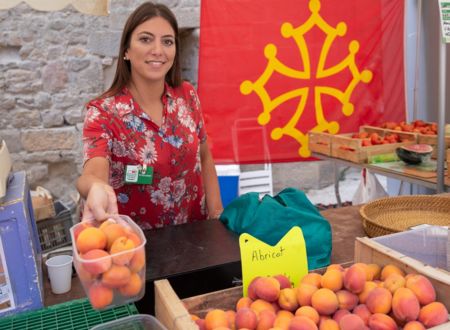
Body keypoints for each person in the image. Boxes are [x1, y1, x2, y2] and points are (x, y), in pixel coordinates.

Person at [77, 2, 223, 229]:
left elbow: (205, 157)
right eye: (145, 39)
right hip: (135, 247)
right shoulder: (103, 113)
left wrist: (216, 219)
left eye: (167, 41)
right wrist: (95, 187)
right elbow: (93, 173)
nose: (158, 50)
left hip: (195, 240)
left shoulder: (187, 96)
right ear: (126, 50)